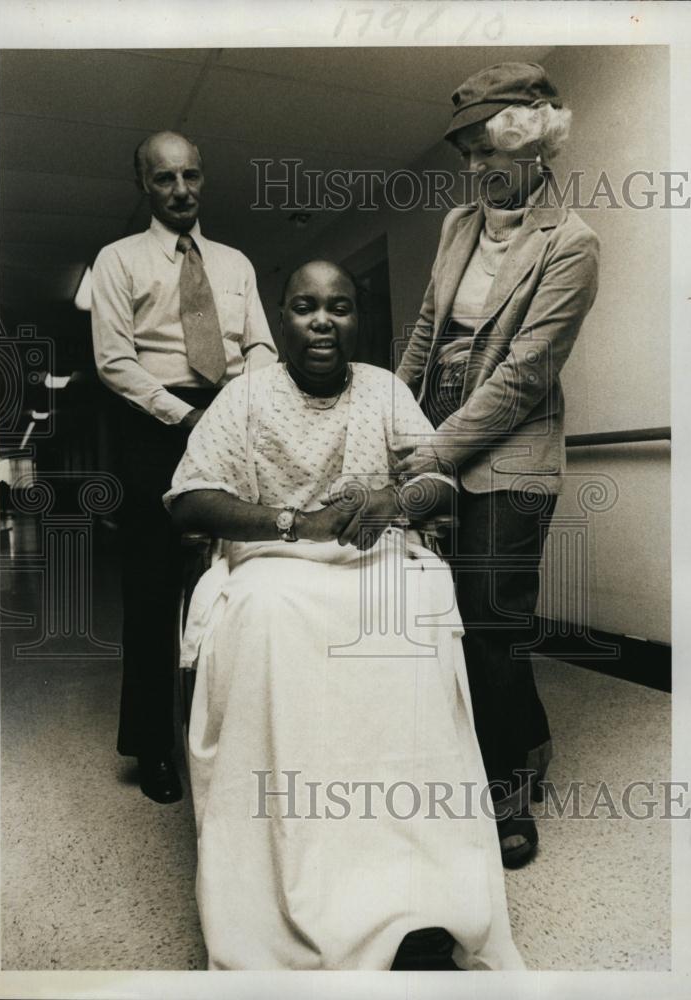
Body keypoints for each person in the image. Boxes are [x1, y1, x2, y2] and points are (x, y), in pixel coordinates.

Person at [164, 260, 524, 971]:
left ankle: (419, 888)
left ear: (356, 320)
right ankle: (287, 880)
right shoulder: (243, 397)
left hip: (371, 560)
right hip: (275, 560)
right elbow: (187, 498)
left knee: (411, 611)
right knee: (265, 615)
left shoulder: (385, 390)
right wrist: (294, 522)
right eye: (304, 307)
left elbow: (437, 484)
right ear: (282, 317)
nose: (323, 321)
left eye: (339, 307)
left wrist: (396, 503)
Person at [395, 63, 600, 867]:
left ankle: (509, 792)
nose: (476, 171)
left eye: (489, 152)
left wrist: (433, 450)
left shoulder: (572, 243)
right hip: (437, 415)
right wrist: (391, 412)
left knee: (491, 615)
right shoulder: (456, 225)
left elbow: (521, 376)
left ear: (534, 142)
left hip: (510, 440)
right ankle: (527, 740)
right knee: (451, 610)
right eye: (467, 156)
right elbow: (424, 328)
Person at [91, 131, 277, 803]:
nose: (180, 190)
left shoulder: (234, 262)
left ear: (203, 178)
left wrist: (240, 406)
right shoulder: (117, 259)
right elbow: (114, 361)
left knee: (238, 574)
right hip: (154, 423)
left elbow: (258, 341)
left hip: (230, 418)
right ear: (144, 184)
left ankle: (235, 732)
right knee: (153, 593)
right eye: (164, 178)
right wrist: (187, 418)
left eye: (190, 175)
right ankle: (152, 748)